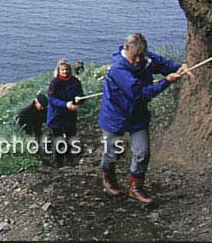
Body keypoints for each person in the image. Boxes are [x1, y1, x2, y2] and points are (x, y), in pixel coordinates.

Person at [98, 33, 192, 205]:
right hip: (115, 115)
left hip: (137, 116)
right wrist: (166, 82)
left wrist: (179, 67)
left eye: (142, 55)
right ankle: (108, 177)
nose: (138, 60)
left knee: (142, 151)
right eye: (135, 56)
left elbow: (163, 65)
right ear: (126, 50)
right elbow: (140, 94)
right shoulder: (119, 69)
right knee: (112, 153)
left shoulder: (145, 59)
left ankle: (136, 188)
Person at [47, 59, 84, 167]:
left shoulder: (75, 81)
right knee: (58, 139)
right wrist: (65, 105)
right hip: (56, 115)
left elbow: (81, 94)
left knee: (70, 137)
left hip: (70, 115)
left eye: (67, 70)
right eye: (63, 70)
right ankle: (58, 162)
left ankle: (69, 159)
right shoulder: (54, 83)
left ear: (70, 70)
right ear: (59, 71)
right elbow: (52, 99)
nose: (65, 72)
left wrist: (79, 98)